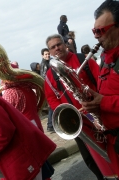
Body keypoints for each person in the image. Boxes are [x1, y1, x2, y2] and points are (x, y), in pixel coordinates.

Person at [44, 34, 104, 180]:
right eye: (53, 47)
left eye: (59, 44)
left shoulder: (82, 59)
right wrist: (67, 114)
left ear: (65, 45)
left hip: (99, 112)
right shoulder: (50, 74)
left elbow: (100, 80)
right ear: (50, 52)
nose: (57, 48)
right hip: (78, 122)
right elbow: (51, 97)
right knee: (90, 159)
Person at [81, 0, 119, 177]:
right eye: (94, 31)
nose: (96, 36)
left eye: (100, 31)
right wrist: (94, 107)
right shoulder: (104, 57)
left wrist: (103, 102)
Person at [2, 63, 54, 180]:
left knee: (34, 169)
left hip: (25, 134)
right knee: (41, 164)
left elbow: (5, 119)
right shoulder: (28, 87)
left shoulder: (10, 93)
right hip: (36, 126)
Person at [40, 48, 54, 132]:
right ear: (42, 55)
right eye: (46, 54)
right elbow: (44, 77)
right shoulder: (44, 64)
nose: (48, 55)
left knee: (53, 106)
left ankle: (51, 125)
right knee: (52, 106)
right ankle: (50, 125)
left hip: (51, 87)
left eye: (48, 54)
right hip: (49, 88)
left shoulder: (49, 61)